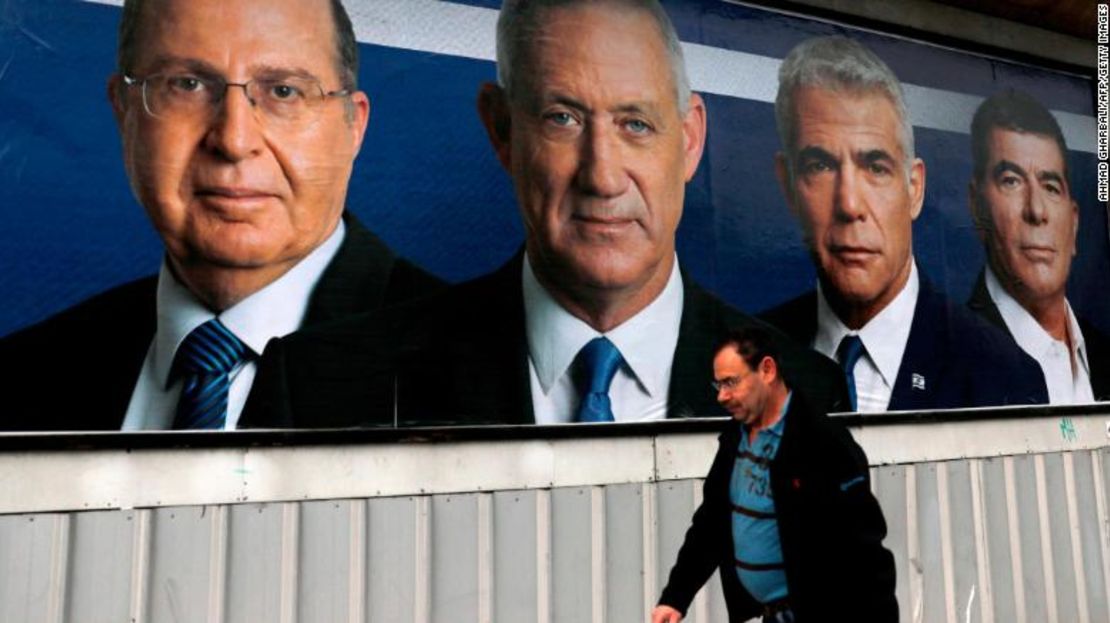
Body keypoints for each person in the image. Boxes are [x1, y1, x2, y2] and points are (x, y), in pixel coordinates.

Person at [241, 0, 848, 428]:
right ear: (502, 129)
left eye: (635, 124)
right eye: (564, 119)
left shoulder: (808, 392)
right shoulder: (321, 387)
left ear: (688, 141)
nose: (603, 177)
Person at [0, 0, 442, 431]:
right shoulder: (22, 375)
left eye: (283, 91)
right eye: (187, 85)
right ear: (124, 112)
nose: (233, 140)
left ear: (353, 127)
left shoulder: (479, 372)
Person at [760, 36, 1047, 412]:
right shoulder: (746, 356)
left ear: (914, 189)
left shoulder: (1003, 375)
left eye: (876, 168)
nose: (849, 204)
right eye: (821, 166)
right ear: (787, 184)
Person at [653, 327, 897, 622]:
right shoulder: (736, 438)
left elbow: (865, 553)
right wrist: (675, 598)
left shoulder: (822, 443)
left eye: (731, 382)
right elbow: (712, 523)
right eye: (717, 385)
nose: (722, 396)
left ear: (767, 370)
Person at [966, 89, 1110, 403]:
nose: (1037, 210)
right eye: (1011, 180)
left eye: (1050, 186)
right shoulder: (949, 364)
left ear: (1073, 224)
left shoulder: (1104, 354)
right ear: (978, 208)